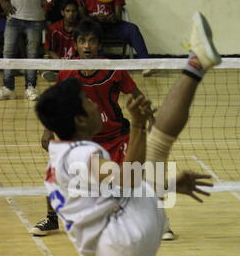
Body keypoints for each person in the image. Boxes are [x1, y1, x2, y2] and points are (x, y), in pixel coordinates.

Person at [35, 11, 221, 256]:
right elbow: (125, 179)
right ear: (77, 119)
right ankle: (196, 61)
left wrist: (170, 184)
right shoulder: (81, 154)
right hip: (126, 237)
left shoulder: (57, 150)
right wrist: (136, 125)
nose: (97, 108)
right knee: (154, 145)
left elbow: (115, 180)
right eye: (88, 103)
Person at [31, 18, 166, 234]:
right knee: (56, 172)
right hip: (84, 138)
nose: (87, 46)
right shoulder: (68, 72)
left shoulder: (113, 70)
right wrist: (48, 130)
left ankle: (161, 221)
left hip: (117, 135)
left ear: (98, 45)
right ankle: (51, 218)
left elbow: (136, 94)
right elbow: (57, 102)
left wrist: (151, 118)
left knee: (143, 173)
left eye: (92, 41)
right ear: (75, 45)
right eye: (82, 41)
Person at [0, 0, 71, 101]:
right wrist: (3, 1)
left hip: (35, 18)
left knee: (32, 54)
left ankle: (30, 87)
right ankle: (8, 88)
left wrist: (49, 0)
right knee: (8, 52)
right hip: (13, 16)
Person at [74, 0, 154, 77]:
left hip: (111, 26)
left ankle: (146, 64)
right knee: (93, 30)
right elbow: (82, 17)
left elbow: (118, 17)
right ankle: (98, 67)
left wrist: (111, 18)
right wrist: (95, 18)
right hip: (92, 27)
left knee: (132, 29)